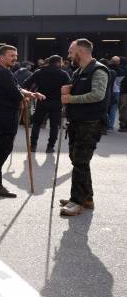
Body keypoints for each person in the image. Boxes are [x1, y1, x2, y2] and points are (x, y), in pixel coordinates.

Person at [58, 39, 113, 216]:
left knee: (80, 162)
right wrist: (69, 90)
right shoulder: (79, 70)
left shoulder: (98, 70)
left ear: (80, 51)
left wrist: (70, 99)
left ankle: (77, 201)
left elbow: (98, 95)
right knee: (78, 159)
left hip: (90, 123)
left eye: (70, 51)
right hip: (78, 122)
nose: (68, 55)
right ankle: (86, 197)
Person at [0, 45, 45, 198]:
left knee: (4, 148)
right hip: (3, 114)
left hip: (7, 113)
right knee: (2, 149)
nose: (15, 58)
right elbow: (15, 93)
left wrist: (31, 94)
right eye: (11, 55)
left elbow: (18, 88)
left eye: (16, 55)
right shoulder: (1, 72)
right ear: (2, 57)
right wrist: (23, 97)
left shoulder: (6, 71)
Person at [22, 55, 70, 153]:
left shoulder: (39, 72)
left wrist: (28, 93)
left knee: (37, 123)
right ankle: (50, 147)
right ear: (58, 62)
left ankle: (33, 145)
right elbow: (70, 87)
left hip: (42, 100)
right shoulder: (63, 74)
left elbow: (26, 83)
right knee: (54, 126)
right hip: (57, 102)